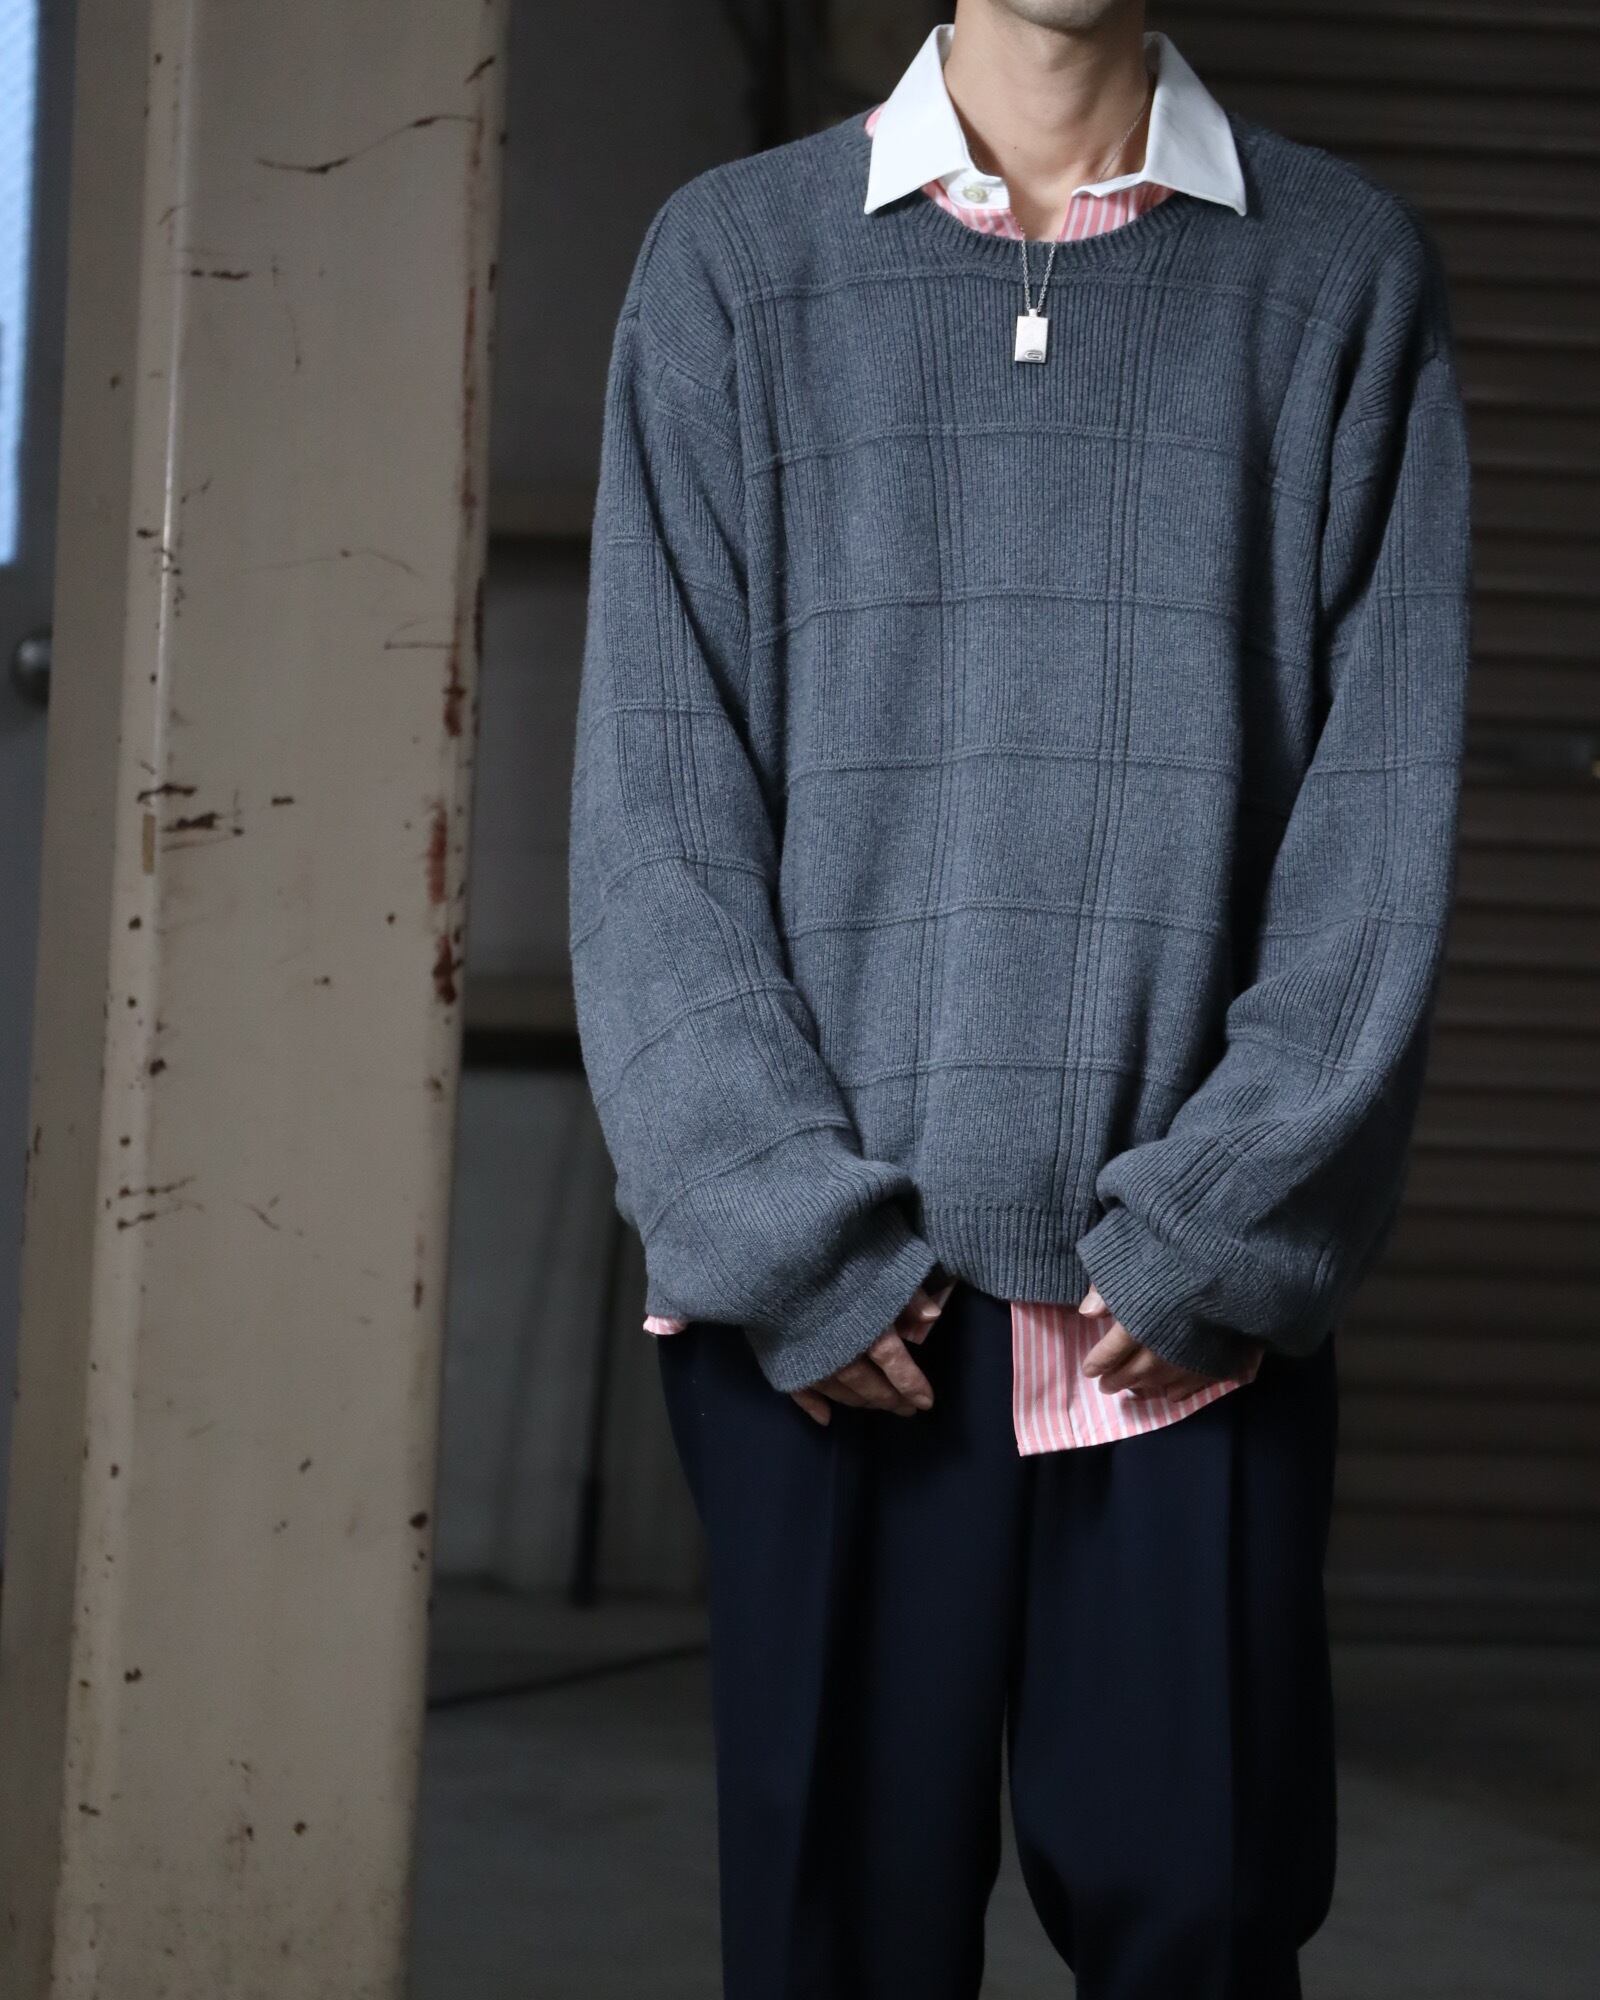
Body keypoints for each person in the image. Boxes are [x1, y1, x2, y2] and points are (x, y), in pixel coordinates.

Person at [568, 2, 1472, 1993]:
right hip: (834, 1320)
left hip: (1180, 1319)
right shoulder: (735, 266)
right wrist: (780, 1228)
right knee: (837, 1947)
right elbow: (654, 805)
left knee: (1201, 1932)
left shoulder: (1336, 273)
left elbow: (1379, 819)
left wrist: (1224, 1220)